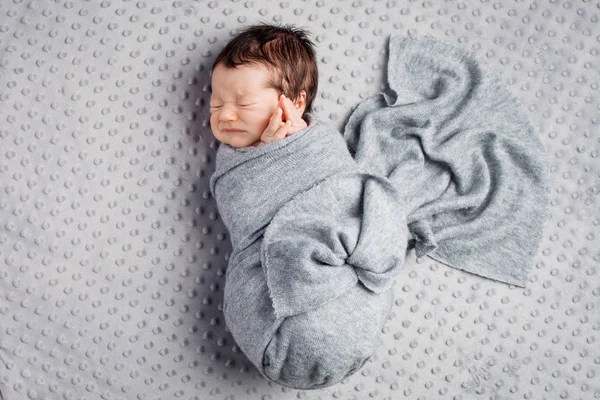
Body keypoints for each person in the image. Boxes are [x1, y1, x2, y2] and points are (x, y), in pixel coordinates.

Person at [209, 23, 318, 148]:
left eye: (244, 103)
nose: (225, 115)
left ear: (296, 104)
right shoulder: (229, 154)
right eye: (216, 105)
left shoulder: (317, 145)